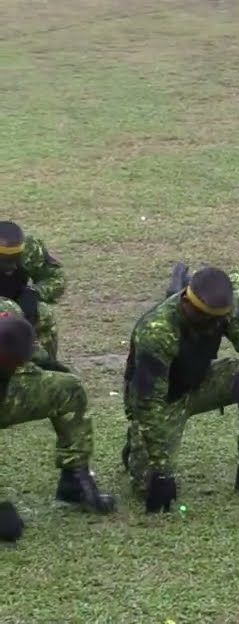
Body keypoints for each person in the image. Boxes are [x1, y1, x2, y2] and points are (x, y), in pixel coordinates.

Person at [123, 267, 239, 513]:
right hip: (163, 401)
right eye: (204, 318)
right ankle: (136, 445)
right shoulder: (157, 331)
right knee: (146, 486)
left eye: (216, 320)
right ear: (187, 302)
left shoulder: (221, 310)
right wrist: (162, 472)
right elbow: (148, 404)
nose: (211, 325)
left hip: (199, 383)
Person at [0, 313, 115, 545]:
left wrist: (45, 362)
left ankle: (74, 478)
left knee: (68, 389)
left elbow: (22, 338)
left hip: (7, 390)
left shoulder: (7, 316)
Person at [0, 221, 66, 360]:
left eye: (16, 259)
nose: (13, 267)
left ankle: (45, 364)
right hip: (7, 311)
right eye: (6, 261)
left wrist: (33, 293)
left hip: (16, 304)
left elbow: (56, 278)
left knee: (44, 313)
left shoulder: (30, 248)